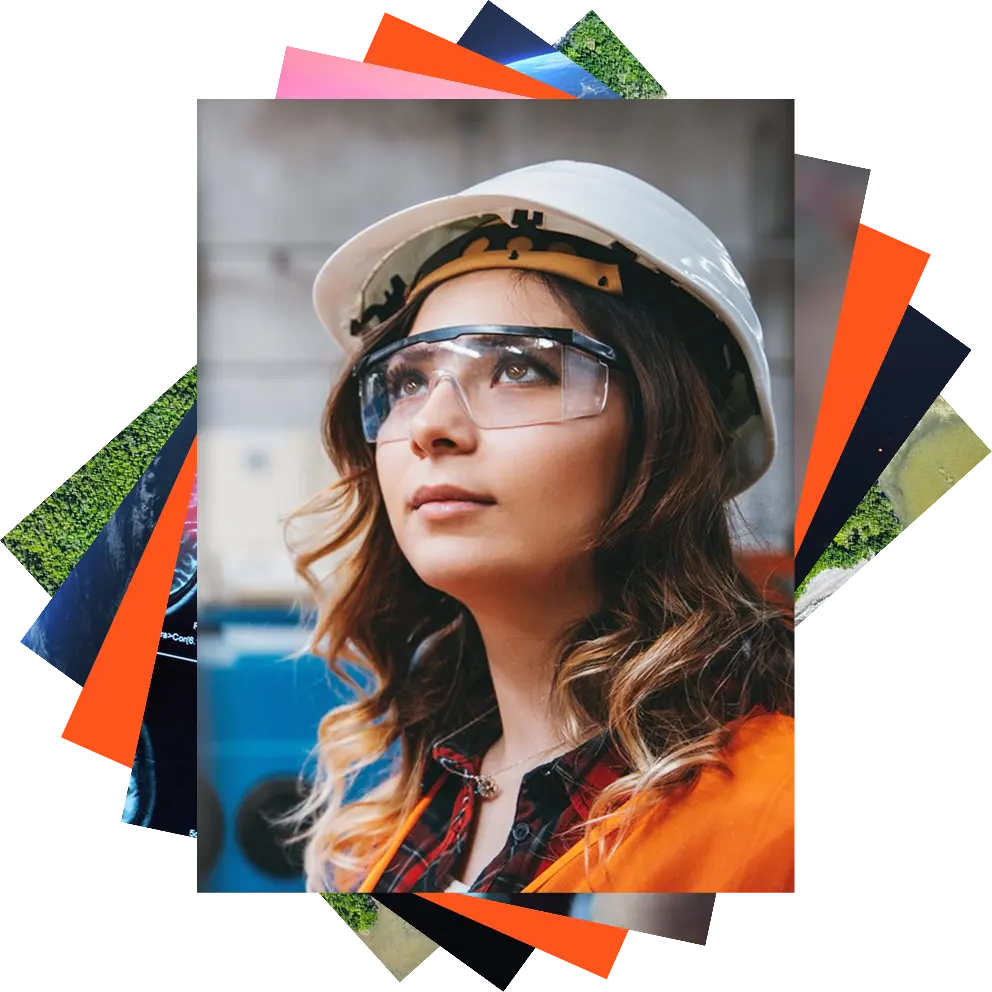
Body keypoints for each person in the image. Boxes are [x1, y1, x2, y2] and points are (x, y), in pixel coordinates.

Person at [284, 161, 797, 895]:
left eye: (521, 369)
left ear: (666, 435)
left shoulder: (791, 814)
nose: (431, 426)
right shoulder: (382, 835)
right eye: (406, 382)